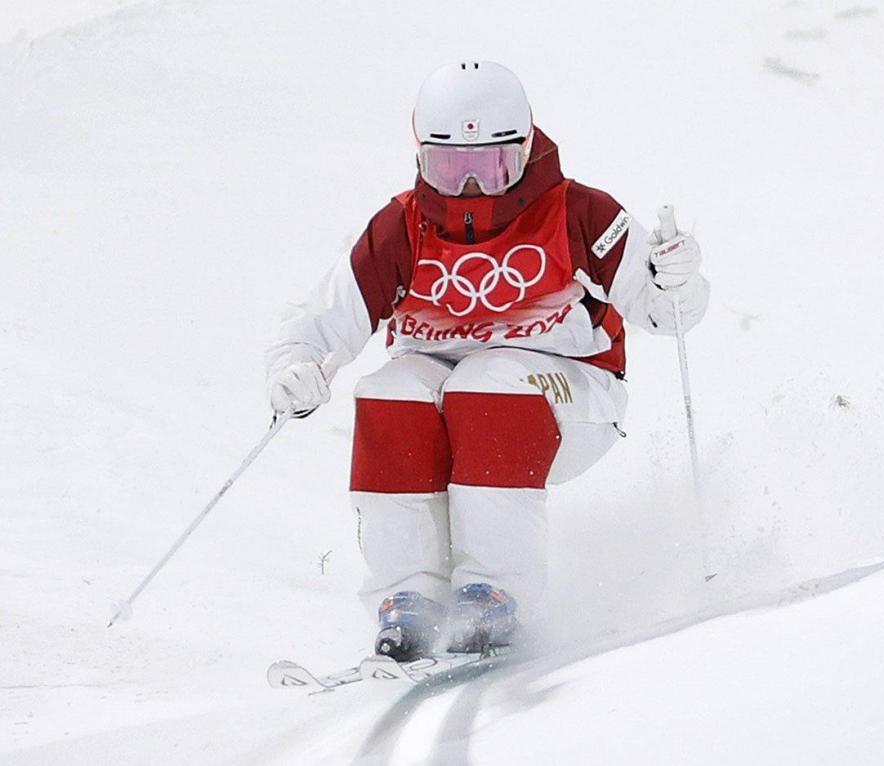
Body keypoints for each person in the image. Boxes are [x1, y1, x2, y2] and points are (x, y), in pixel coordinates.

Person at [265, 61, 709, 661]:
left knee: (486, 379)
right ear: (422, 158)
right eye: (451, 169)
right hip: (450, 405)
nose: (471, 190)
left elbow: (664, 312)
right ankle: (409, 598)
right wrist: (298, 367)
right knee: (389, 389)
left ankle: (494, 592)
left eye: (491, 167)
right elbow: (321, 317)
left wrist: (679, 282)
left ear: (525, 151)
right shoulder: (402, 227)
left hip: (571, 396)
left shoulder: (579, 214)